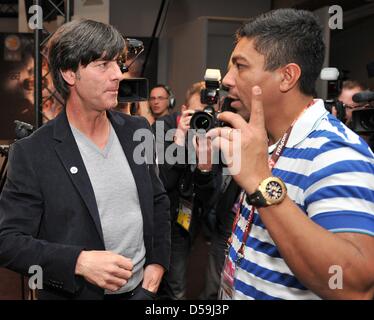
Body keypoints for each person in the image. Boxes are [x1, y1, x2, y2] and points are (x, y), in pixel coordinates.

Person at [206, 8, 374, 299]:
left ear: (287, 77)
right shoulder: (267, 142)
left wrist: (261, 184)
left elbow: (354, 286)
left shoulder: (335, 152)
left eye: (240, 66)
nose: (227, 80)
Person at [0, 19, 170, 300]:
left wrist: (157, 264)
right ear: (69, 73)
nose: (117, 74)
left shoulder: (137, 130)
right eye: (103, 65)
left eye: (118, 64)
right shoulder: (33, 152)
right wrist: (78, 262)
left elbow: (158, 201)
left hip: (142, 292)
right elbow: (8, 241)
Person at [153, 81, 219, 299]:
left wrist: (204, 167)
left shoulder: (213, 133)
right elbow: (162, 181)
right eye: (195, 114)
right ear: (183, 110)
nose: (201, 120)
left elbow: (209, 194)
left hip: (186, 222)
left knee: (177, 287)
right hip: (158, 219)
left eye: (206, 114)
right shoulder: (163, 127)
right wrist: (179, 141)